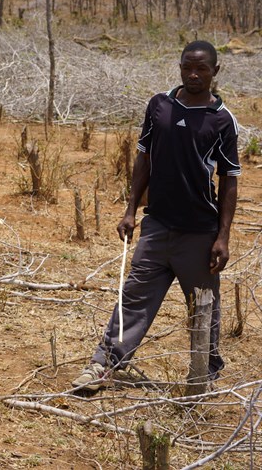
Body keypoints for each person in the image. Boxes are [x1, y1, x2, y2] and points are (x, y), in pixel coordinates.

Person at [72, 40, 240, 392]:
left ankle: (203, 375)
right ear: (180, 67)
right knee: (133, 299)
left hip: (198, 232)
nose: (194, 74)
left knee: (203, 307)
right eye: (187, 67)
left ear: (215, 71)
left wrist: (222, 237)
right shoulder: (160, 106)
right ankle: (101, 366)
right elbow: (143, 160)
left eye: (202, 69)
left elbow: (228, 181)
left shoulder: (222, 121)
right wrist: (130, 210)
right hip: (157, 226)